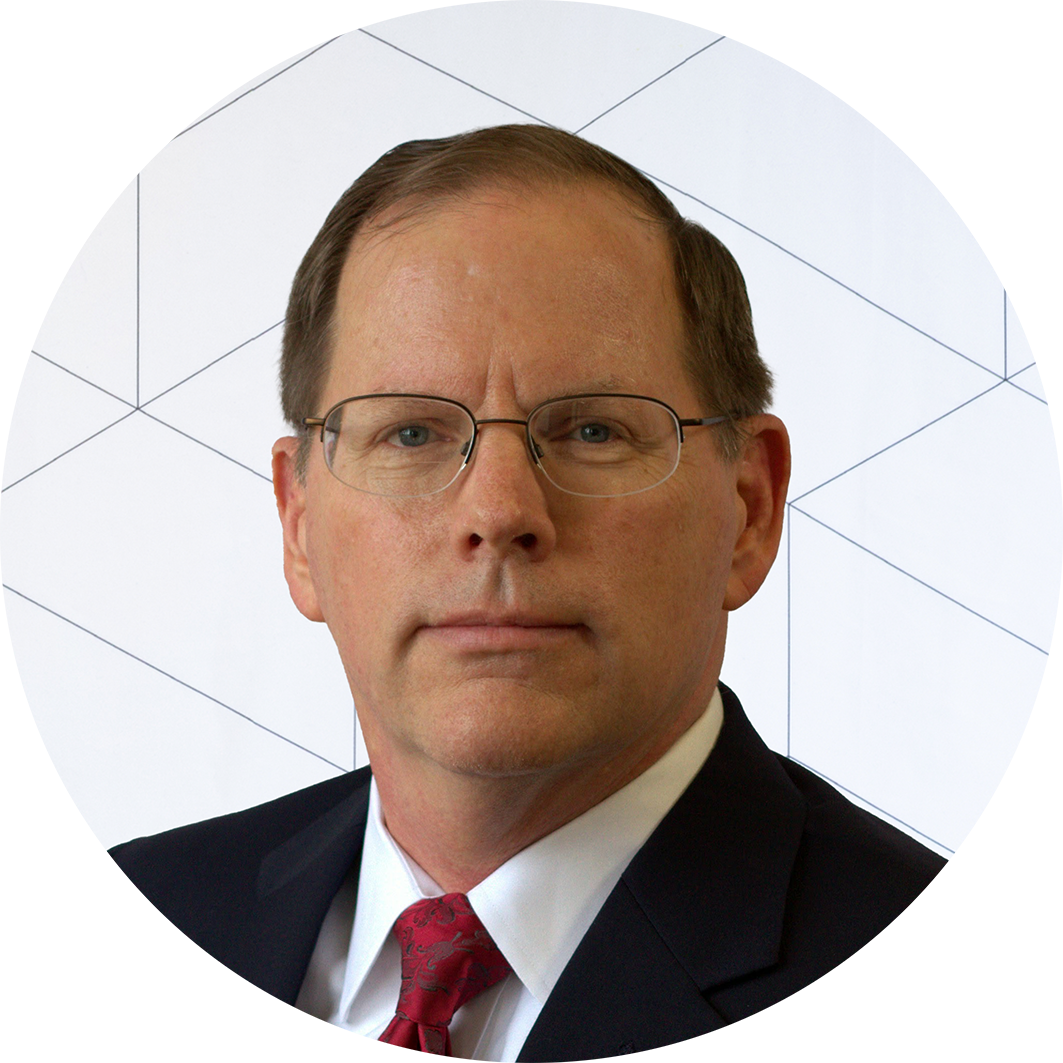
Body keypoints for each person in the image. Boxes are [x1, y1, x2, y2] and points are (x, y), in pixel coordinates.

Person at [108, 124, 946, 1060]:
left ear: (748, 508)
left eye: (592, 430)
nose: (500, 511)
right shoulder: (102, 944)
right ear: (298, 522)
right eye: (412, 433)